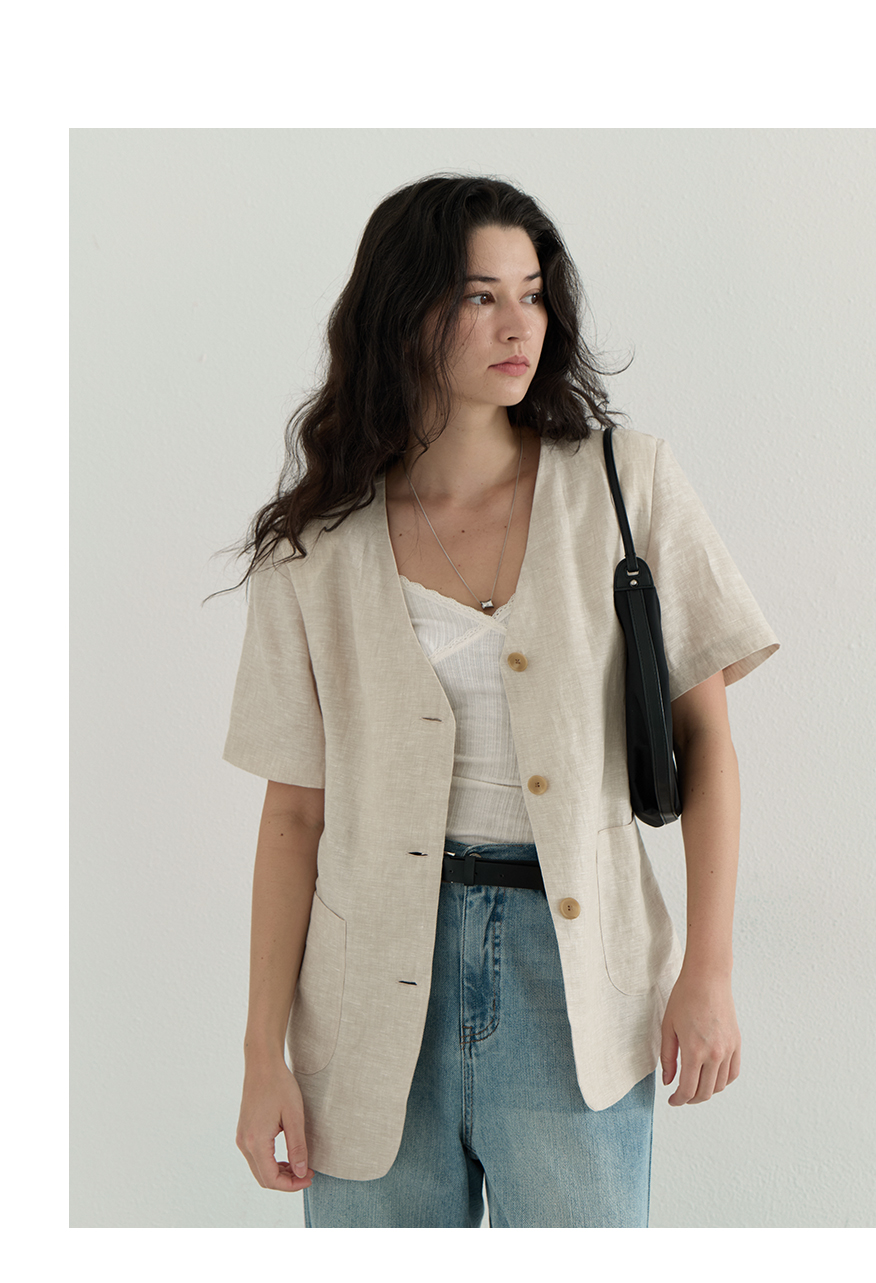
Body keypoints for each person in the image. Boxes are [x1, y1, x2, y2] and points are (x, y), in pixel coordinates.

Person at [222, 174, 779, 1228]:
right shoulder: (316, 546)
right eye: (480, 296)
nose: (519, 324)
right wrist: (262, 1055)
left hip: (574, 987)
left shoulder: (627, 485)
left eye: (532, 293)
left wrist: (707, 969)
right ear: (403, 311)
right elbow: (292, 816)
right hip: (364, 996)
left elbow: (706, 740)